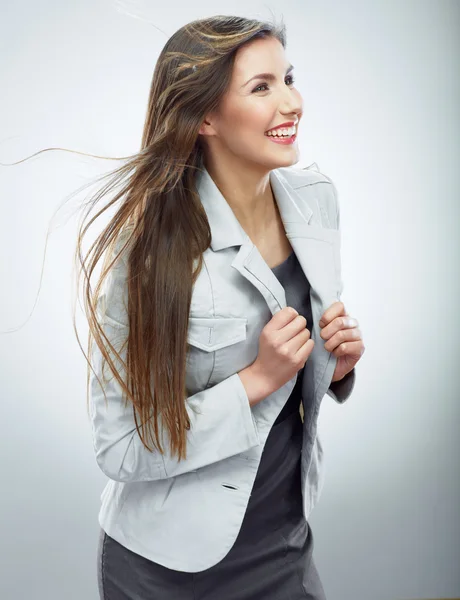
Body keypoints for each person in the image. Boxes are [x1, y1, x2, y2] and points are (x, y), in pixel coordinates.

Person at [88, 14, 365, 600]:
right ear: (205, 116)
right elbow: (119, 445)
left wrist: (332, 365)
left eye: (289, 78)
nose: (292, 102)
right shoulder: (147, 253)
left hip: (284, 546)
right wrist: (255, 380)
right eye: (261, 87)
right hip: (164, 572)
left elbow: (303, 373)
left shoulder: (317, 201)